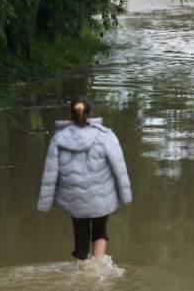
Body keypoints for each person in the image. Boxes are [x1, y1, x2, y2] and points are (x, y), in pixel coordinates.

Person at [37, 97, 132, 264]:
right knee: (100, 232)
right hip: (101, 196)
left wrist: (45, 202)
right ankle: (98, 270)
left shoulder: (59, 139)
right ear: (90, 113)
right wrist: (125, 196)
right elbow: (119, 167)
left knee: (80, 237)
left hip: (74, 198)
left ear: (71, 114)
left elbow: (50, 173)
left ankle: (81, 270)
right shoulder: (105, 136)